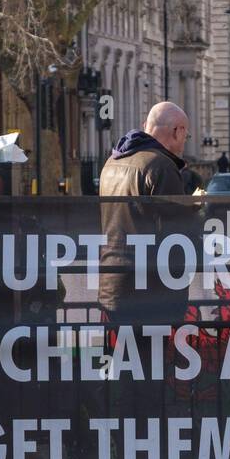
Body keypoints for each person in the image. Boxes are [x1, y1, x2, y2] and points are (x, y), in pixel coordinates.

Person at [98, 102, 191, 320]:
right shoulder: (161, 166)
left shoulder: (112, 162)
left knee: (121, 353)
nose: (184, 143)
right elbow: (176, 233)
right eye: (186, 136)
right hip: (150, 292)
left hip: (113, 283)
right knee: (150, 354)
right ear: (177, 131)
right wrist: (199, 212)